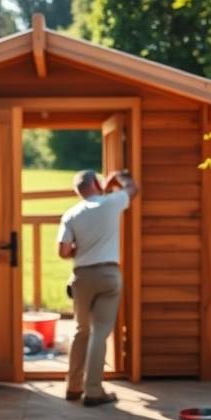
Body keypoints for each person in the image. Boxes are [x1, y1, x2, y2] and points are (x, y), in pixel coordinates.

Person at [57, 168, 139, 406]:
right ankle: (93, 392)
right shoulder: (110, 203)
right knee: (99, 333)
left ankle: (73, 388)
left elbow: (63, 251)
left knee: (81, 330)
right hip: (108, 275)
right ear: (95, 183)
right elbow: (133, 190)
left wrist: (77, 250)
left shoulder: (71, 214)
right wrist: (119, 177)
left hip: (81, 277)